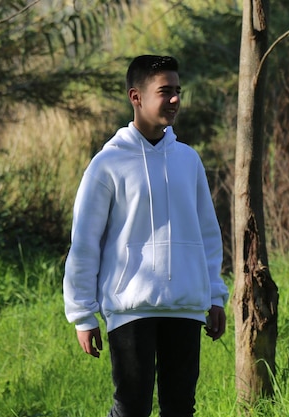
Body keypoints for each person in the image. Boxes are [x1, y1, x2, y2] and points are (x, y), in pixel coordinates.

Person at [62, 54, 229, 417]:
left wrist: (215, 294)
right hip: (130, 306)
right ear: (135, 97)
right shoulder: (107, 164)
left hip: (185, 305)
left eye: (177, 91)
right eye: (164, 91)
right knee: (131, 408)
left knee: (180, 407)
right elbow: (85, 242)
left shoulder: (188, 160)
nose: (174, 100)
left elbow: (207, 233)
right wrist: (82, 313)